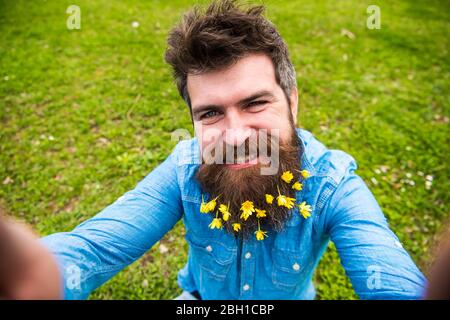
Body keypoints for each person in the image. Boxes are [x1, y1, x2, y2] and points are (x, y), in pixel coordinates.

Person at [0, 0, 426, 300]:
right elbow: (93, 250)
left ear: (292, 101)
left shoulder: (332, 185)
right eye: (210, 114)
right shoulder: (185, 170)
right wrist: (32, 277)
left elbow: (388, 276)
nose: (236, 135)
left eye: (255, 103)